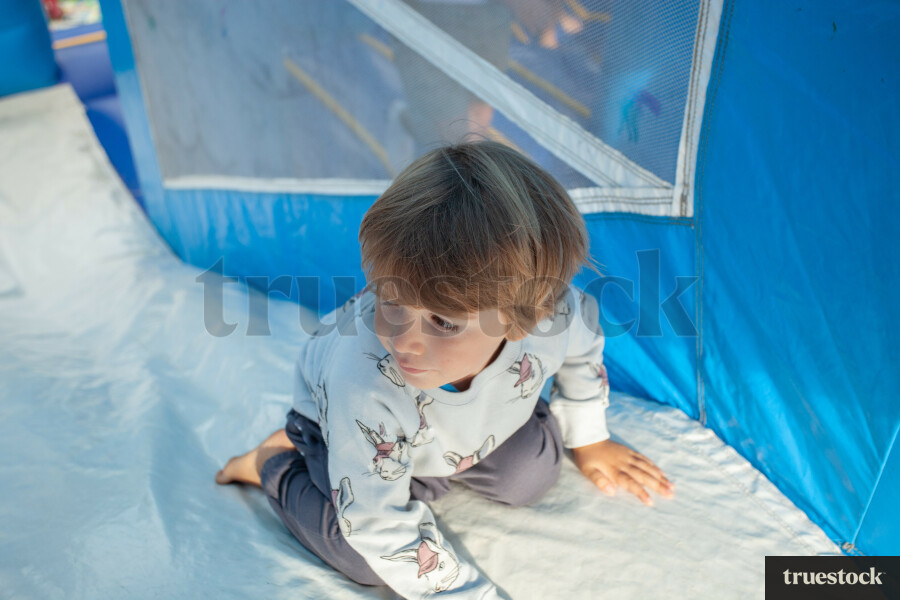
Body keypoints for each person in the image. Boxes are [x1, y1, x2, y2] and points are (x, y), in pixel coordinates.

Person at [215, 141, 675, 599]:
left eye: (443, 321)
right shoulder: (364, 380)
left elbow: (585, 345)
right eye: (389, 299)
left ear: (525, 318)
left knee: (531, 475)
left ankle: (431, 469)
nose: (404, 339)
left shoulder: (554, 316)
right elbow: (377, 525)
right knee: (365, 559)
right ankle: (271, 462)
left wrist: (590, 437)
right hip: (352, 431)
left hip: (464, 432)